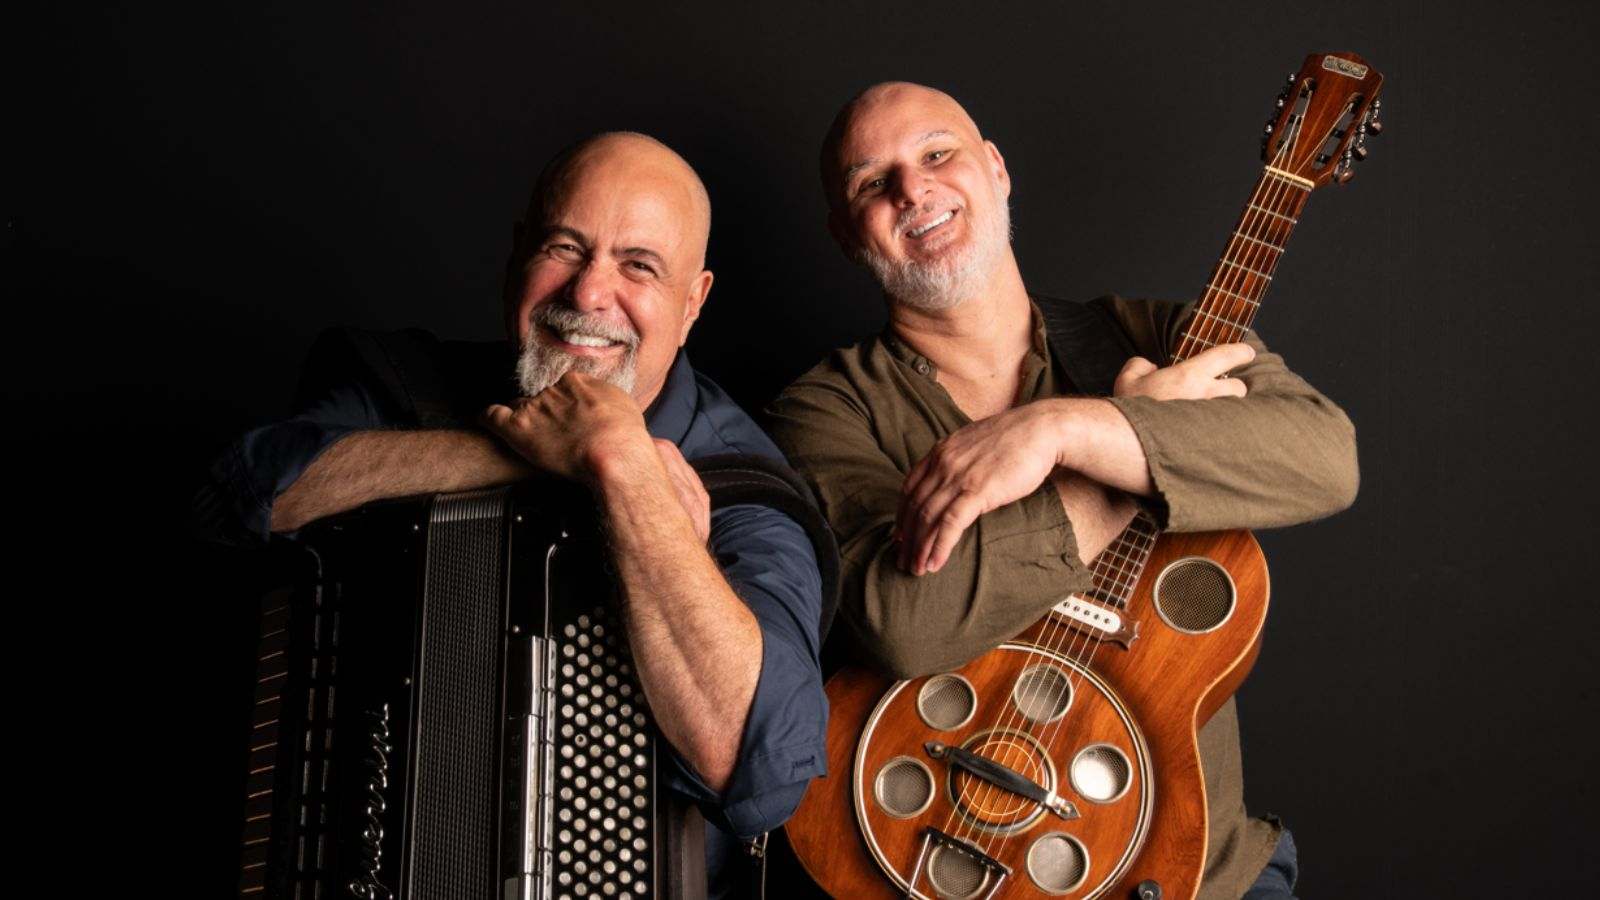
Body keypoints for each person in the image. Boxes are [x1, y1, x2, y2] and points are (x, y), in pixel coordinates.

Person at [766, 82, 1359, 899]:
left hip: (1201, 878)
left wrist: (1066, 431)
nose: (915, 190)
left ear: (997, 170)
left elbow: (1325, 457)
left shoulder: (1154, 339)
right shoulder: (826, 411)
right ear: (845, 232)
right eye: (874, 182)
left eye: (939, 154)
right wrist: (1114, 474)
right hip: (955, 856)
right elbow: (903, 623)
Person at [197, 132, 828, 896]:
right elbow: (239, 499)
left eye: (638, 265)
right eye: (566, 247)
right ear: (518, 256)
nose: (589, 294)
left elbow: (762, 772)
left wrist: (626, 468)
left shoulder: (744, 487)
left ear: (693, 302)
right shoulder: (400, 382)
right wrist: (533, 451)